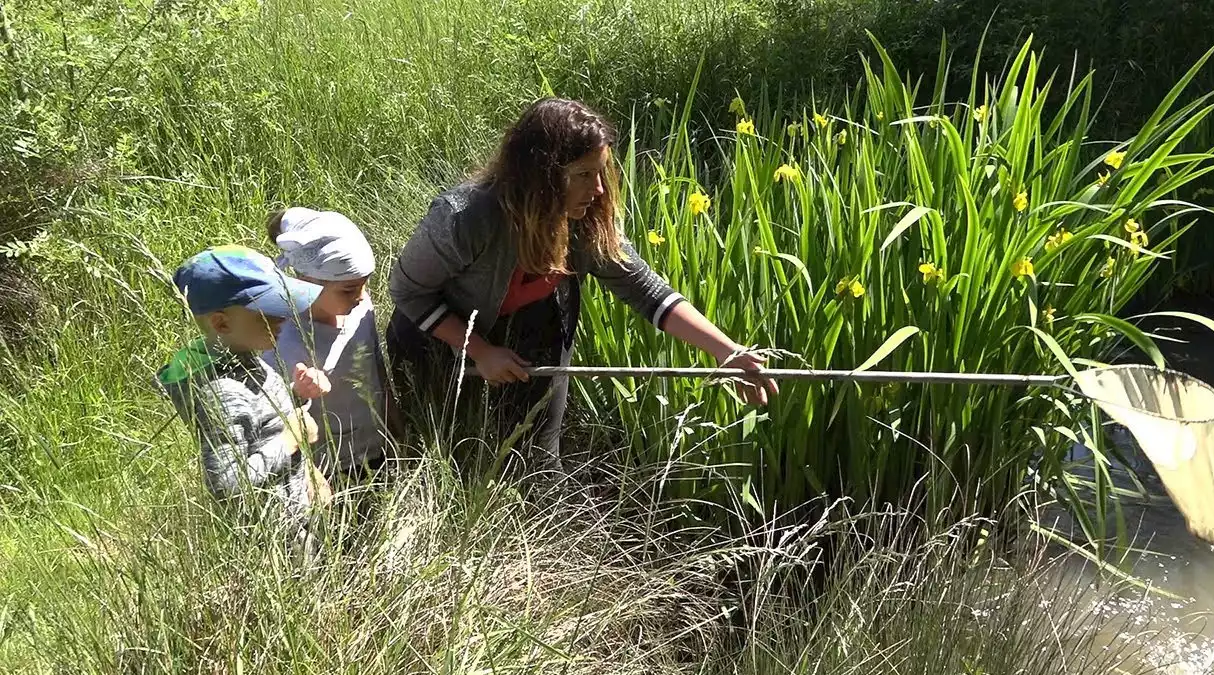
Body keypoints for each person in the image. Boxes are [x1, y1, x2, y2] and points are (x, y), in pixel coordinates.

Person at [385, 97, 777, 473]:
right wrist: (482, 351)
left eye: (601, 172)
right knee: (449, 451)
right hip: (434, 337)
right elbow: (407, 291)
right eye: (584, 175)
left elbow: (647, 292)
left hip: (530, 331)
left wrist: (728, 352)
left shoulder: (584, 221)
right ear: (541, 177)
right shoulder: (466, 218)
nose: (600, 189)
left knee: (536, 463)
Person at [156, 244, 333, 560]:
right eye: (267, 311)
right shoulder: (221, 391)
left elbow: (258, 419)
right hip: (273, 538)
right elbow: (225, 483)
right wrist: (291, 439)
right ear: (221, 323)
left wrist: (295, 393)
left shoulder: (241, 355)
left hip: (292, 509)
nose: (282, 318)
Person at [262, 207, 403, 526]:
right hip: (324, 470)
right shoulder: (282, 337)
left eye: (365, 285)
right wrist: (308, 471)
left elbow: (375, 372)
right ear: (305, 280)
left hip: (376, 452)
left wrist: (398, 430)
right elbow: (275, 417)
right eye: (349, 289)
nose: (362, 297)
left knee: (378, 531)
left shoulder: (360, 309)